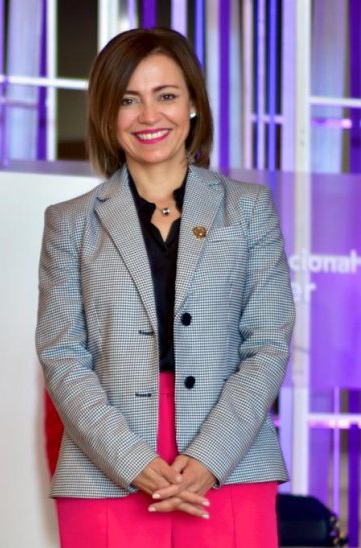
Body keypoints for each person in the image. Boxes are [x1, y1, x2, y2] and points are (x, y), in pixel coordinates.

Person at [35, 27, 294, 547]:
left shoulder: (248, 209)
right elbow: (61, 354)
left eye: (166, 96)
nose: (149, 116)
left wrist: (209, 456)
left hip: (231, 458)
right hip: (106, 463)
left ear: (193, 103)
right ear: (107, 114)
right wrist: (131, 460)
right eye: (128, 100)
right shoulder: (70, 222)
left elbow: (268, 343)